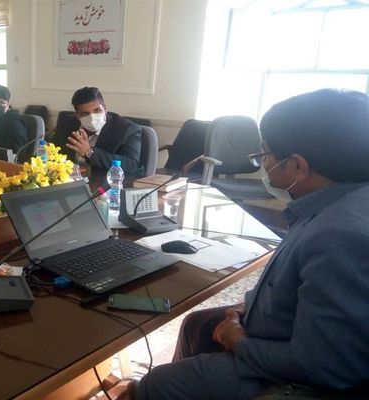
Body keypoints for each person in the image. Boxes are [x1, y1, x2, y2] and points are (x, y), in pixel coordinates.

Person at [134, 89, 369, 399]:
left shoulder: (339, 237)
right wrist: (251, 303)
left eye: (266, 155)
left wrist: (240, 342)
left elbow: (326, 365)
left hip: (296, 379)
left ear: (297, 166)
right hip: (282, 334)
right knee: (198, 325)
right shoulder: (334, 202)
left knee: (156, 383)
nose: (264, 164)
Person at [51, 87, 144, 176]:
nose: (92, 117)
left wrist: (89, 152)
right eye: (85, 113)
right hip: (69, 179)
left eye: (97, 110)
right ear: (77, 115)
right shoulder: (67, 123)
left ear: (105, 109)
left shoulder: (126, 129)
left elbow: (131, 165)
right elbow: (53, 154)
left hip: (104, 182)